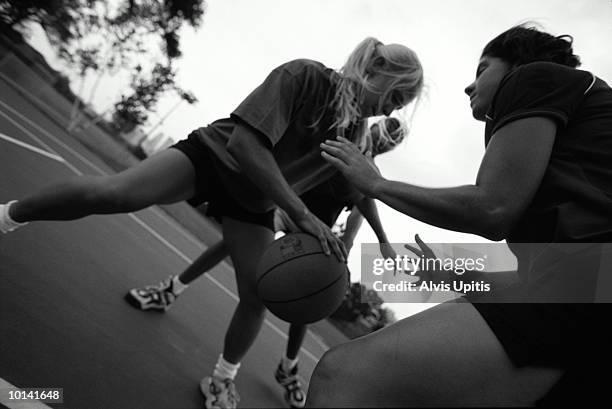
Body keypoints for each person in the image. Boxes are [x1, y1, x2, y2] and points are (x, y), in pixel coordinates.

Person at [0, 37, 424, 409]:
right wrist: (299, 212)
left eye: (399, 107)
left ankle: (221, 379)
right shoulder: (306, 76)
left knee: (258, 293)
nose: (390, 109)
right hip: (215, 158)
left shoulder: (354, 137)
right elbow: (244, 143)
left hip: (254, 200)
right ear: (379, 70)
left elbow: (363, 192)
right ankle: (7, 216)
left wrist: (384, 241)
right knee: (113, 194)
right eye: (395, 97)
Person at [311, 24, 612, 407]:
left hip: (586, 287)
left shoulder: (535, 77)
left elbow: (492, 209)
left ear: (516, 66)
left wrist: (377, 185)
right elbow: (539, 277)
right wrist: (451, 273)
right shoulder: (581, 145)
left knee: (342, 376)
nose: (470, 86)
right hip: (590, 292)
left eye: (483, 69)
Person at [125, 117, 405, 409]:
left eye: (389, 140)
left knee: (309, 295)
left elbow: (359, 212)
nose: (381, 139)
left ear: (391, 146)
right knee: (232, 240)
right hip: (288, 206)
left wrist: (356, 247)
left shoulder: (368, 170)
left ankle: (288, 366)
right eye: (381, 131)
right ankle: (171, 289)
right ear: (374, 128)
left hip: (317, 226)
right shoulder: (346, 140)